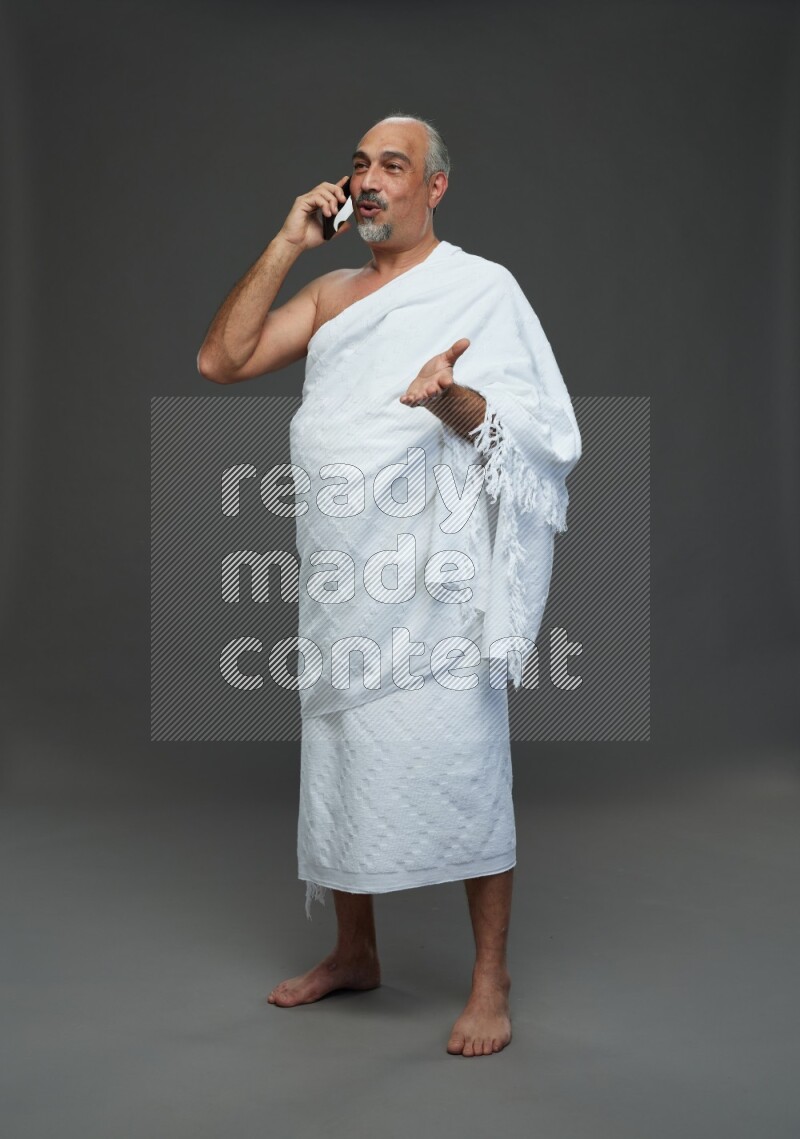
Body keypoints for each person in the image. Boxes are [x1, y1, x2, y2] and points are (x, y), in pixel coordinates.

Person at [197, 114, 581, 1057]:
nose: (369, 180)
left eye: (394, 166)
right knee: (343, 756)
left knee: (467, 762)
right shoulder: (331, 294)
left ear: (434, 186)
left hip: (435, 582)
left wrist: (449, 397)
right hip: (342, 569)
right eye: (361, 164)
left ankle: (489, 978)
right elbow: (222, 359)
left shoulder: (482, 289)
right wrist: (288, 241)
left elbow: (535, 433)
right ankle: (355, 949)